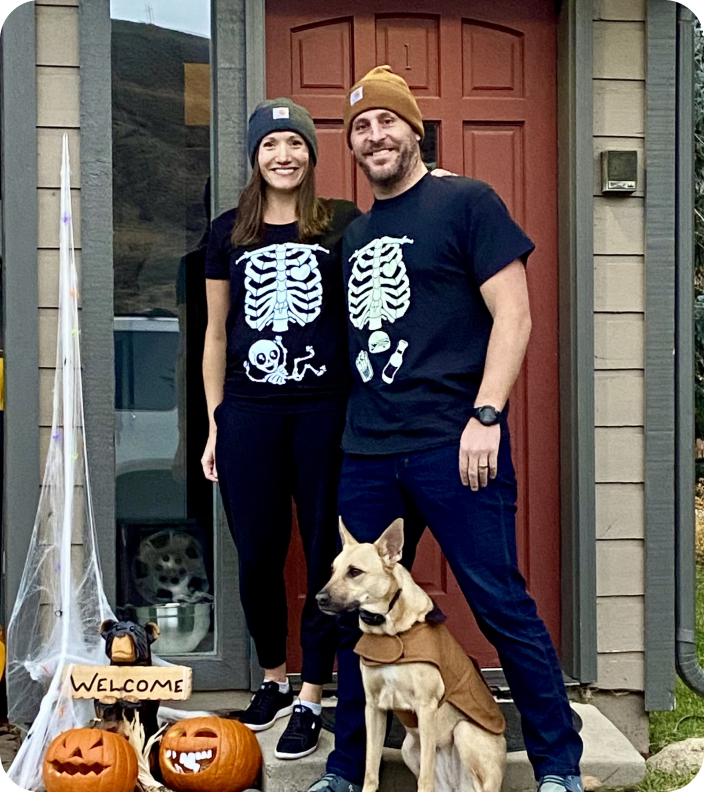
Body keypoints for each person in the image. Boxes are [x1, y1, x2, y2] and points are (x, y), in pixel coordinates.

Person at [306, 66, 584, 792]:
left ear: (414, 129)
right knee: (349, 612)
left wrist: (486, 415)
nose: (374, 136)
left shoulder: (468, 203)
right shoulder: (356, 233)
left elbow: (514, 315)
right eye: (360, 128)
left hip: (453, 442)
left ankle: (559, 764)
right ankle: (345, 768)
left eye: (387, 122)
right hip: (367, 448)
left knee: (499, 601)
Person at [201, 98, 360, 760]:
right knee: (260, 552)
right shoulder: (227, 233)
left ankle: (312, 692)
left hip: (325, 408)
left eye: (295, 143)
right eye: (271, 145)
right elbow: (215, 335)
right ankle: (272, 677)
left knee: (327, 551)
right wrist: (216, 423)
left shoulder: (342, 225)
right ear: (255, 156)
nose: (283, 154)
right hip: (251, 412)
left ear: (311, 156)